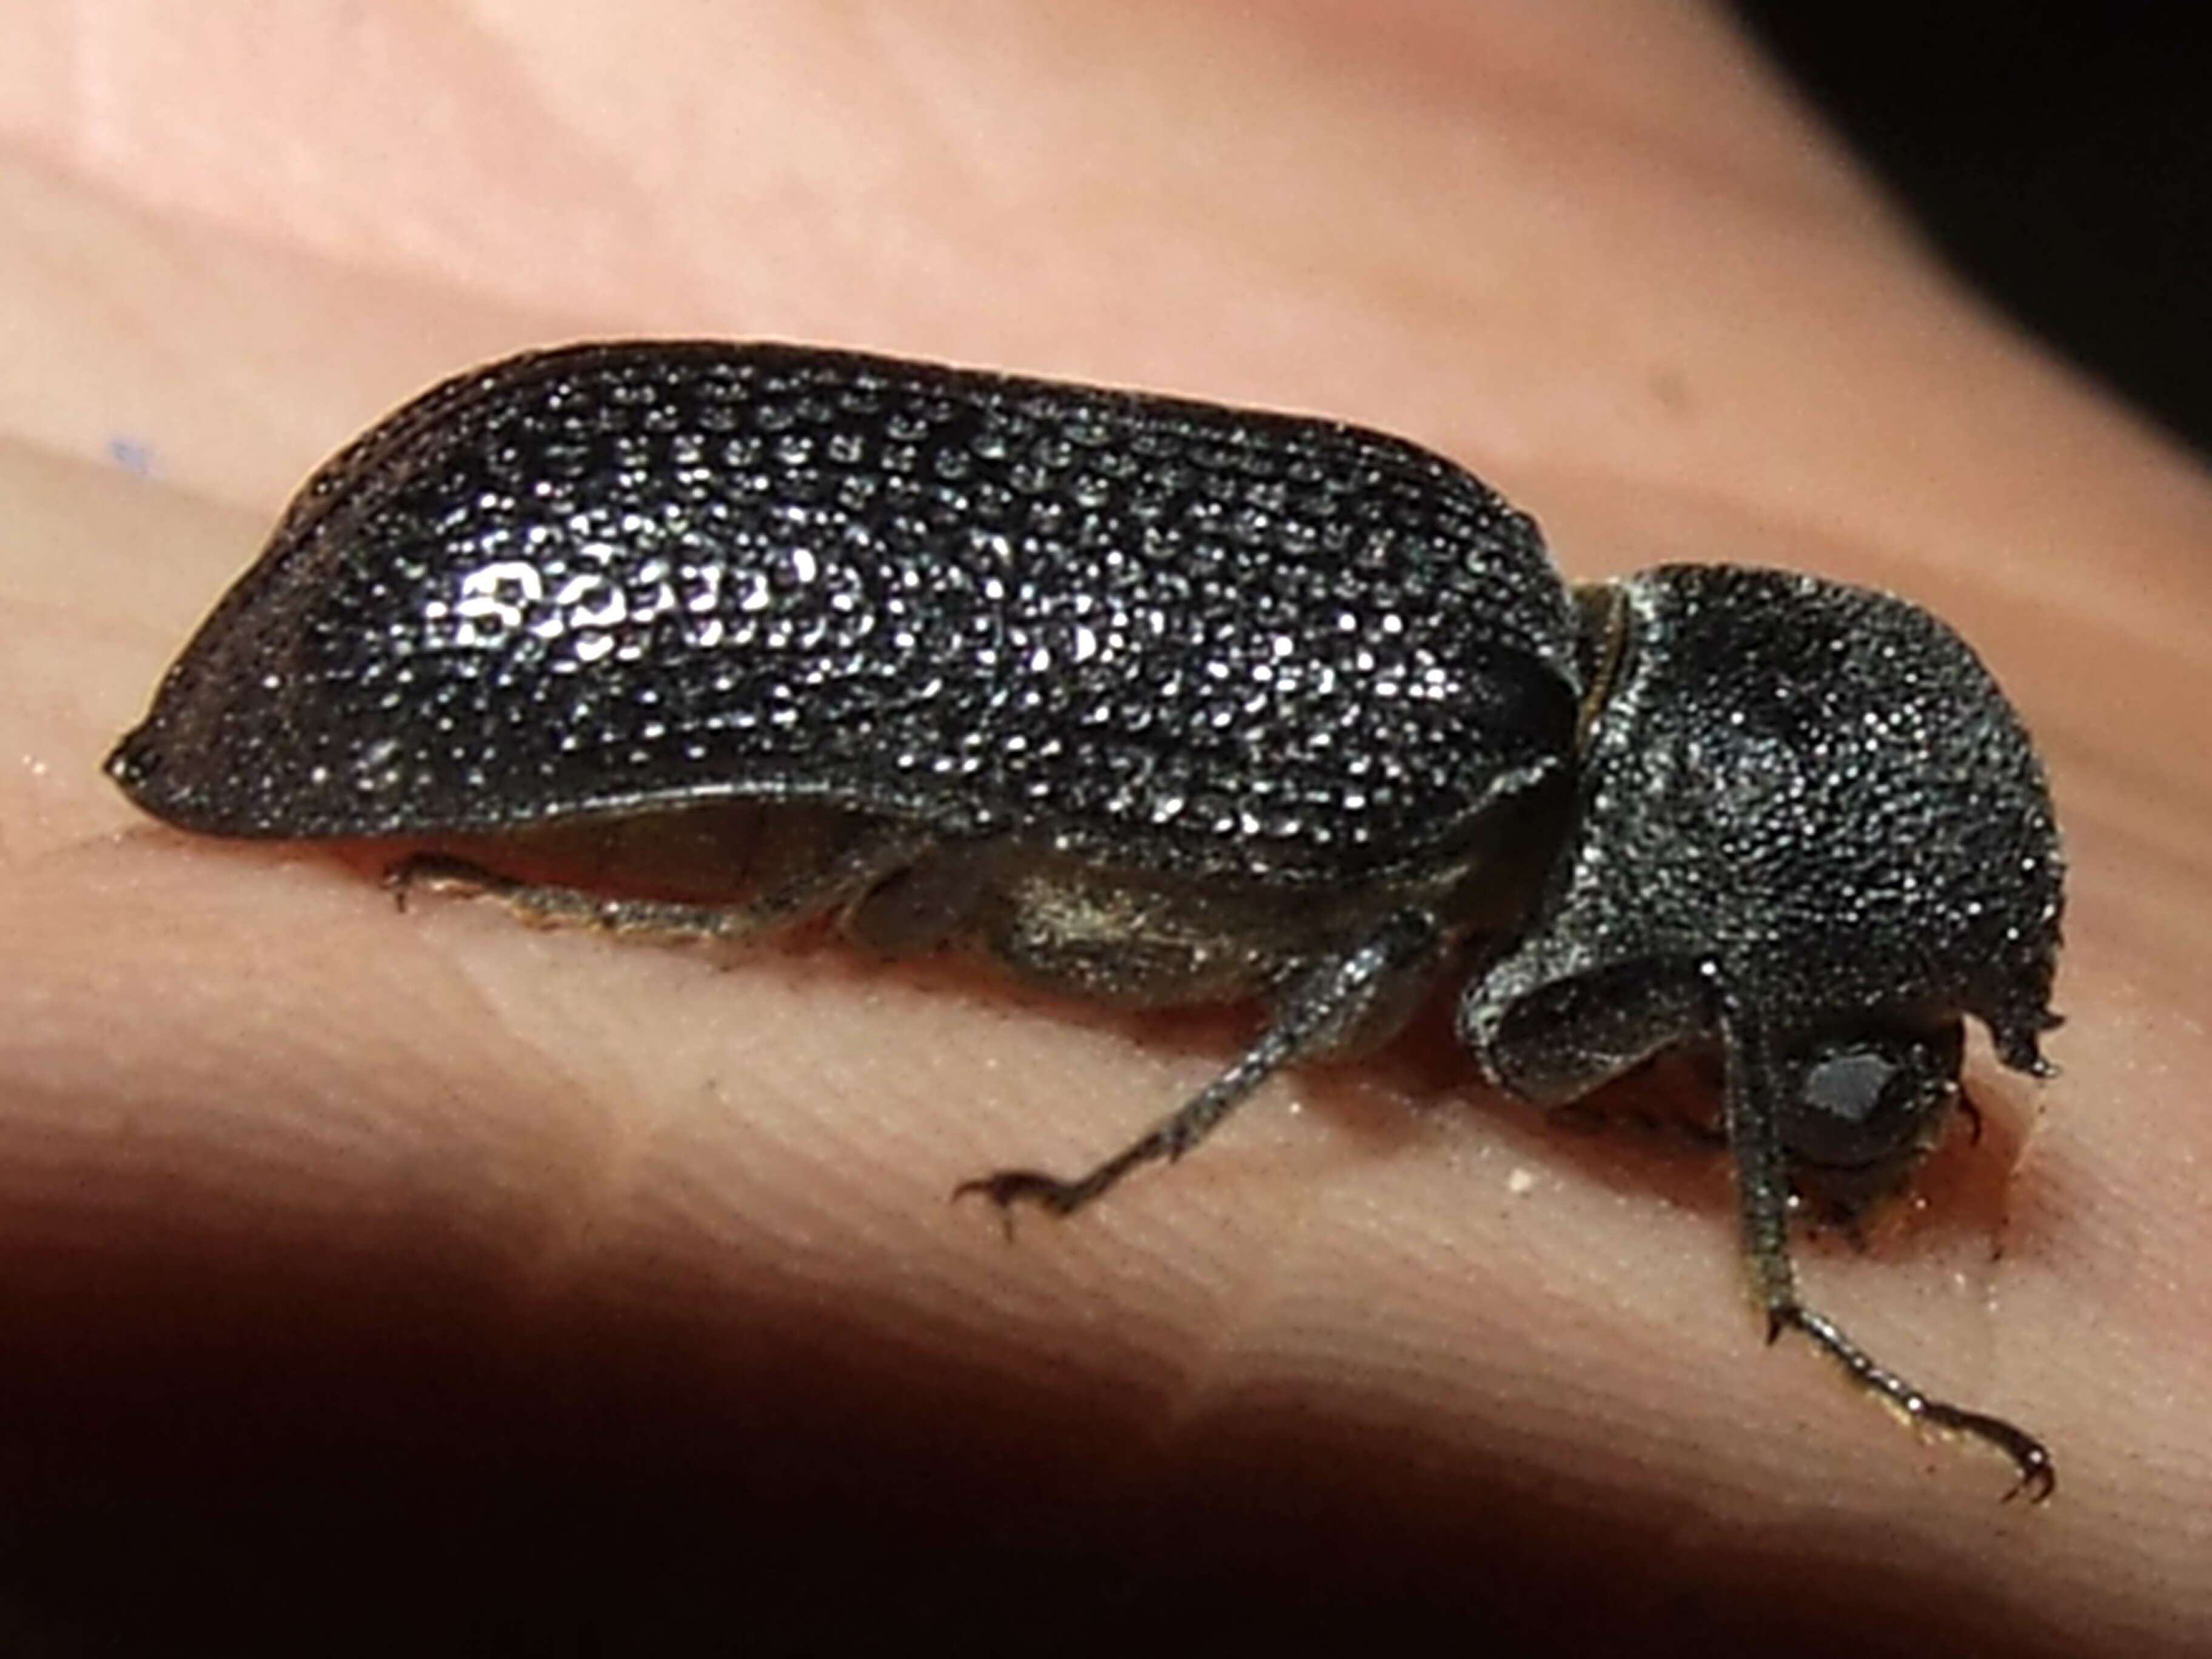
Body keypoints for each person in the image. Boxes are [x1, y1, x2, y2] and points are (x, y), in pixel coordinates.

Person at [2, 3, 2205, 1650]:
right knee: (952, 827)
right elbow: (1307, 965)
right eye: (1830, 1050)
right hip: (498, 602)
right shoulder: (1454, 719)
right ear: (1732, 865)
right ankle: (726, 919)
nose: (1851, 1109)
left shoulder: (1470, 609)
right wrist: (1160, 1153)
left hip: (526, 509)